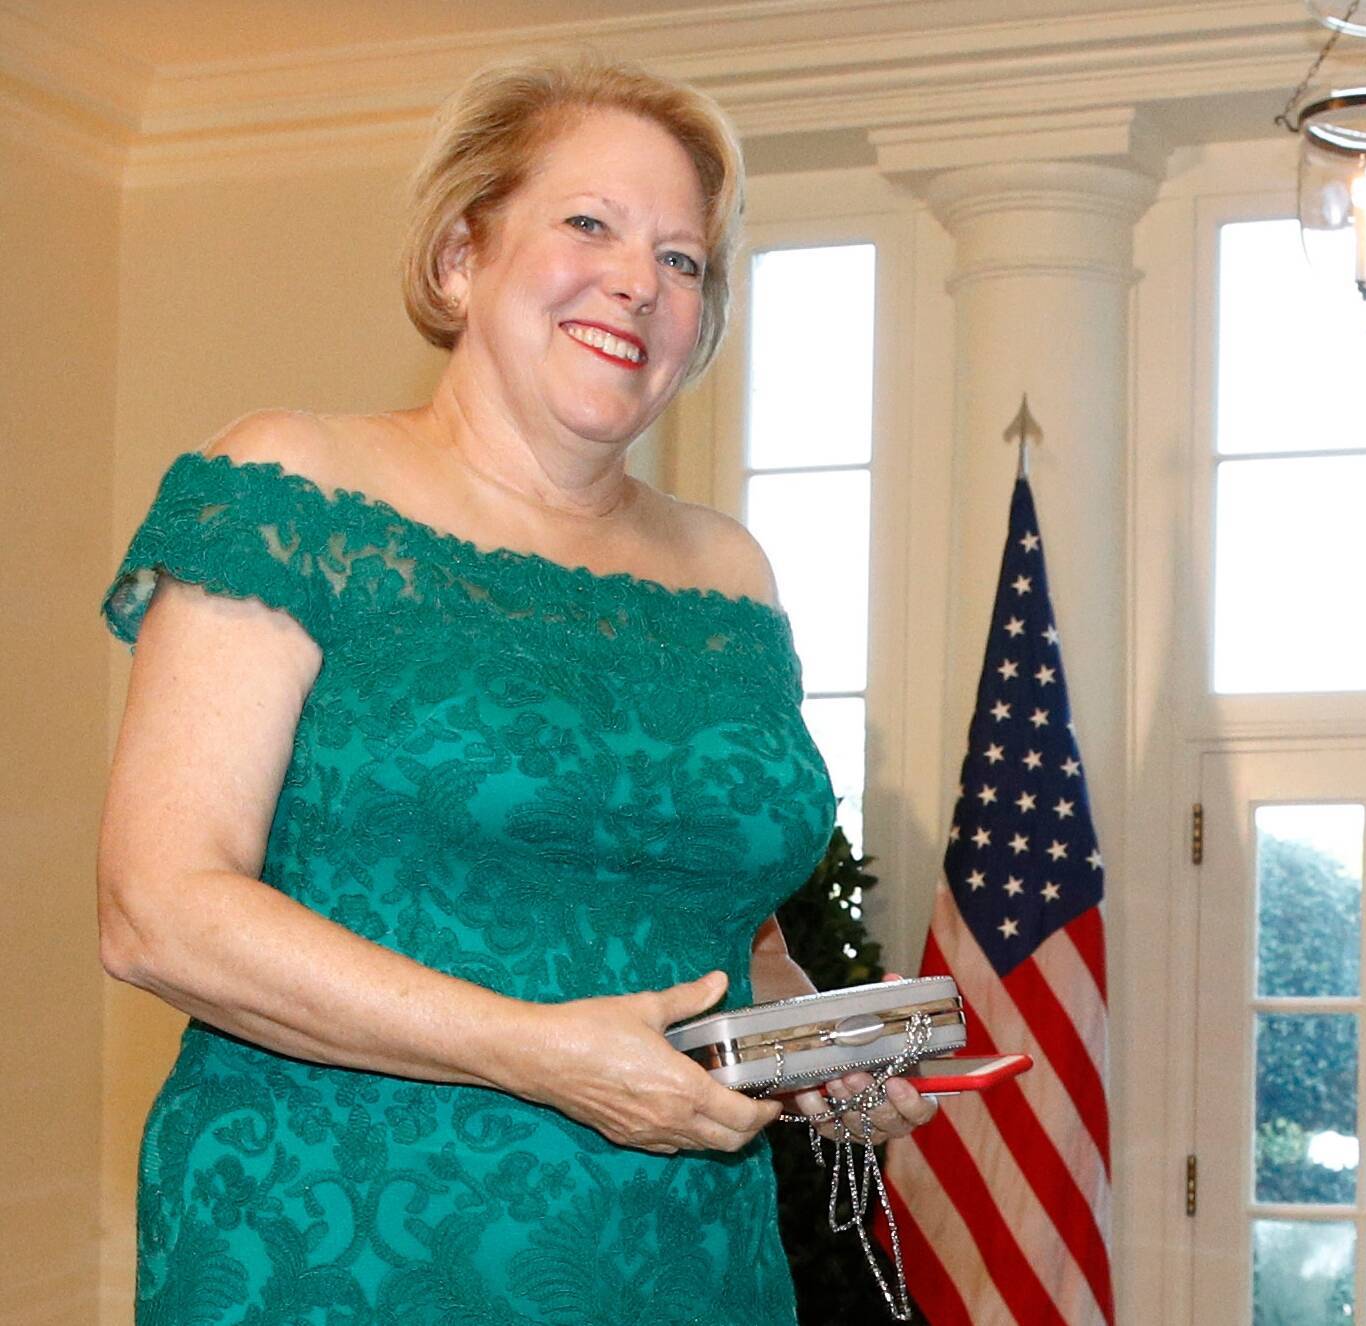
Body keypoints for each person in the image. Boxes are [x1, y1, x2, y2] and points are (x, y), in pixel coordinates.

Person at [95, 57, 933, 1324]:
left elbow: (734, 931)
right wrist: (538, 1053)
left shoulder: (730, 571)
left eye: (683, 259)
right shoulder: (294, 485)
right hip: (342, 1246)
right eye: (588, 223)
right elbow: (156, 906)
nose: (638, 280)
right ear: (458, 257)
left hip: (685, 1258)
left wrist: (821, 1052)